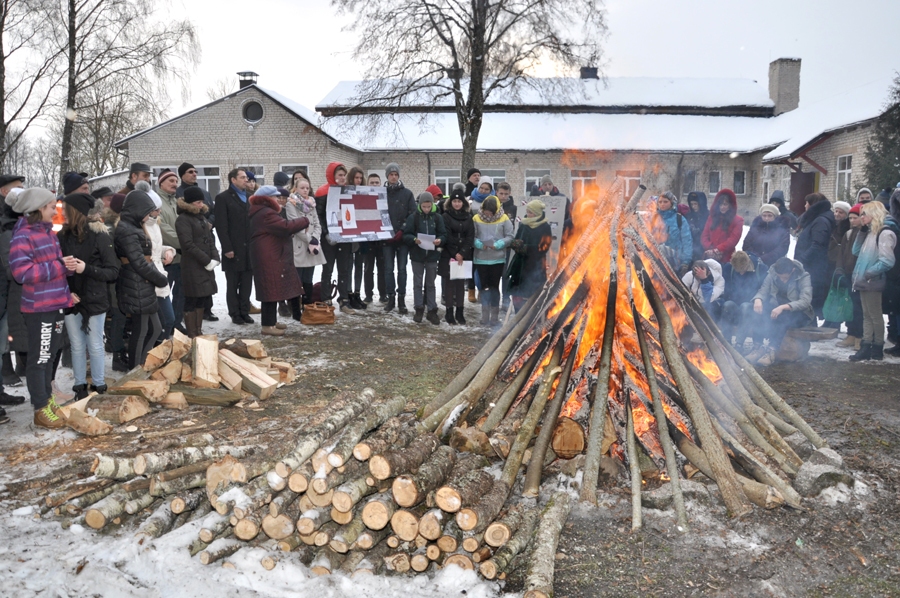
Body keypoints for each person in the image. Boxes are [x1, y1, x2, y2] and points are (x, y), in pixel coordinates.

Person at [9, 188, 75, 428]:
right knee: (40, 359)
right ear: (38, 209)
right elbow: (21, 273)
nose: (55, 211)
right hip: (39, 309)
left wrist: (67, 267)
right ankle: (40, 409)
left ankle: (48, 402)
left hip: (56, 303)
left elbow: (53, 267)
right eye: (50, 207)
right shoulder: (23, 236)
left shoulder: (48, 233)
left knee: (50, 358)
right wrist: (59, 266)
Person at [57, 193, 119, 398]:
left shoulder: (100, 235)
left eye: (65, 209)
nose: (62, 212)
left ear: (76, 211)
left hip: (95, 298)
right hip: (70, 298)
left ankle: (99, 386)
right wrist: (67, 292)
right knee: (76, 344)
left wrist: (87, 269)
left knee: (94, 344)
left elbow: (112, 271)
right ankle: (80, 386)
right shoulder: (61, 236)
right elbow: (55, 270)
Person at [115, 187, 170, 369]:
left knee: (154, 328)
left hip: (143, 284)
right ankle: (135, 368)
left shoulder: (134, 227)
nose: (149, 216)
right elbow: (138, 262)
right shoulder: (127, 229)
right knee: (141, 331)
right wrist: (160, 279)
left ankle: (142, 364)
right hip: (135, 284)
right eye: (147, 212)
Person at [248, 186, 309, 335]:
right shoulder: (267, 213)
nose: (278, 199)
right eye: (275, 197)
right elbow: (285, 227)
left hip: (269, 255)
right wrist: (304, 220)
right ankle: (267, 326)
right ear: (267, 199)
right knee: (270, 289)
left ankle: (272, 321)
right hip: (269, 257)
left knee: (272, 289)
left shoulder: (261, 212)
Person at [849, 201, 897, 361]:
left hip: (872, 281)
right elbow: (855, 251)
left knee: (874, 315)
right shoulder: (871, 232)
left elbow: (887, 260)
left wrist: (870, 273)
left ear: (874, 214)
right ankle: (866, 345)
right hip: (864, 280)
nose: (861, 217)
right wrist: (862, 232)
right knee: (867, 315)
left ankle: (876, 347)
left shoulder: (885, 233)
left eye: (864, 214)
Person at [747, 257, 815, 366]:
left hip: (800, 314)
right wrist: (758, 299)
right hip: (777, 309)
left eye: (785, 278)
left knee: (784, 316)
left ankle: (771, 350)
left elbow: (805, 301)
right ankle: (757, 347)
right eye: (780, 277)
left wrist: (784, 306)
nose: (782, 280)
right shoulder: (772, 273)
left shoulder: (803, 276)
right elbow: (763, 291)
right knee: (758, 310)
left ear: (792, 270)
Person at [175, 187, 220, 338]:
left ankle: (198, 331)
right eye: (198, 202)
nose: (201, 205)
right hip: (192, 266)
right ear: (189, 203)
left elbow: (210, 241)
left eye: (202, 202)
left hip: (204, 265)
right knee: (192, 298)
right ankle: (192, 333)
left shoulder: (201, 217)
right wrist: (206, 260)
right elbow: (187, 244)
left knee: (202, 297)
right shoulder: (183, 219)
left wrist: (215, 258)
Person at [215, 168, 254, 325]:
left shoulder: (251, 198)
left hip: (249, 249)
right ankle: (235, 313)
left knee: (246, 283)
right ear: (233, 180)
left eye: (247, 178)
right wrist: (227, 248)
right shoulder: (223, 198)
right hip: (233, 248)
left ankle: (245, 311)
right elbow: (221, 226)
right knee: (233, 283)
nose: (246, 180)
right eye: (243, 177)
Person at [314, 162, 355, 313]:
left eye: (344, 175)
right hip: (329, 238)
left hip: (345, 238)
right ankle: (326, 299)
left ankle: (344, 300)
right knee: (328, 269)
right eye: (339, 175)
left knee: (344, 269)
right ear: (333, 175)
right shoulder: (322, 191)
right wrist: (326, 233)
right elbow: (318, 215)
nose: (342, 178)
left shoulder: (348, 191)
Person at [138, 182, 176, 340]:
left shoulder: (154, 224)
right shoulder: (139, 227)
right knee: (161, 323)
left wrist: (168, 250)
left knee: (168, 320)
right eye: (156, 209)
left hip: (160, 276)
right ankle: (156, 351)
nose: (159, 212)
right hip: (150, 280)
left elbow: (155, 247)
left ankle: (161, 349)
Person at [403, 191, 446, 324]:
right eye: (424, 206)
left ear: (432, 204)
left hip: (432, 255)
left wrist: (440, 240)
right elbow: (406, 235)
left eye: (428, 206)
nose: (426, 209)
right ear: (420, 205)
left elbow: (443, 234)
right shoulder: (413, 217)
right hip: (417, 255)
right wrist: (414, 239)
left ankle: (432, 309)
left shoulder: (437, 217)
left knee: (431, 283)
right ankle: (419, 308)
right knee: (417, 282)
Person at [473, 196, 514, 326]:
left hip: (497, 258)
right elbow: (471, 236)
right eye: (486, 212)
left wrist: (499, 244)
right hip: (481, 258)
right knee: (484, 287)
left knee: (494, 287)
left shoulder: (504, 218)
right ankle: (485, 316)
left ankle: (494, 317)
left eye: (491, 212)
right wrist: (480, 244)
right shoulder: (476, 218)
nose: (488, 215)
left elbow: (510, 236)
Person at [794, 193, 835, 320]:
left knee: (813, 296)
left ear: (812, 205)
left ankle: (812, 325)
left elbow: (818, 245)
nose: (805, 206)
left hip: (814, 266)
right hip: (812, 265)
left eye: (807, 203)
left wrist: (803, 259)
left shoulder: (820, 221)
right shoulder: (817, 218)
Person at [382, 163, 416, 314]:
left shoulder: (407, 194)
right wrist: (385, 232)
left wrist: (402, 229)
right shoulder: (381, 193)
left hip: (402, 239)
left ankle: (401, 298)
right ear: (387, 176)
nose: (393, 177)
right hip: (386, 238)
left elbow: (412, 214)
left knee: (402, 269)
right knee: (388, 270)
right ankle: (391, 298)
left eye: (396, 174)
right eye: (391, 174)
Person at [285, 177, 325, 306]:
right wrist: (310, 239)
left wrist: (315, 238)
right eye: (302, 188)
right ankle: (295, 306)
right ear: (295, 189)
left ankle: (307, 304)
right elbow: (295, 226)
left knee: (309, 278)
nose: (305, 190)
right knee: (298, 279)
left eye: (307, 188)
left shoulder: (311, 204)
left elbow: (317, 224)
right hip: (299, 245)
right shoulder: (291, 203)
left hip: (312, 247)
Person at [508, 199, 552, 311]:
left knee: (532, 294)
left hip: (535, 265)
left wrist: (527, 248)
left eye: (531, 212)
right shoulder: (524, 224)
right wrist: (515, 243)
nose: (528, 214)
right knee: (518, 293)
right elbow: (517, 238)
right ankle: (517, 315)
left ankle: (531, 318)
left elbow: (544, 247)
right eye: (527, 211)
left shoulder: (545, 227)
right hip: (520, 265)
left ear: (537, 213)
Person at [440, 185, 474, 325]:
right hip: (449, 254)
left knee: (460, 284)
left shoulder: (468, 217)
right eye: (454, 201)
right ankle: (449, 312)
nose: (457, 204)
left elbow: (470, 236)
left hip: (464, 255)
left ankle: (460, 311)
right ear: (450, 203)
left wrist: (463, 252)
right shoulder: (445, 217)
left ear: (463, 203)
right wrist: (455, 253)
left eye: (459, 202)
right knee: (449, 283)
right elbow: (447, 235)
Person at [720, 251, 768, 352]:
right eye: (738, 271)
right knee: (727, 305)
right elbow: (726, 289)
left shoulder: (760, 268)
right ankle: (726, 342)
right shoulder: (728, 268)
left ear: (748, 263)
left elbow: (765, 288)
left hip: (752, 305)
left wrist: (758, 299)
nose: (741, 273)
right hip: (734, 304)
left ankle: (739, 343)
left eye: (743, 270)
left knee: (745, 307)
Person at [156, 169, 185, 334]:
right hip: (165, 258)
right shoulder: (156, 202)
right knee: (164, 294)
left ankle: (177, 323)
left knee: (180, 293)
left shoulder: (176, 202)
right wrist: (184, 242)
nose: (175, 184)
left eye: (176, 181)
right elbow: (163, 229)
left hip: (181, 257)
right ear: (161, 183)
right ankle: (165, 325)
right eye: (171, 181)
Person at [834, 203, 864, 349]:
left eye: (855, 218)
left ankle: (860, 336)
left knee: (859, 307)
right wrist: (839, 269)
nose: (852, 221)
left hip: (860, 276)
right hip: (847, 274)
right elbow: (841, 254)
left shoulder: (865, 233)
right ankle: (851, 333)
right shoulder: (848, 233)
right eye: (850, 218)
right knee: (849, 306)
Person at [823, 200, 853, 328]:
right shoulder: (832, 224)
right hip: (831, 262)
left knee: (838, 293)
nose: (837, 214)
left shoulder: (846, 227)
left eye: (841, 212)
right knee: (831, 292)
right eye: (836, 211)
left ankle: (836, 321)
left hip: (839, 264)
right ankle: (830, 319)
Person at [345, 166, 369, 310]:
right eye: (356, 178)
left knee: (359, 265)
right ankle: (348, 293)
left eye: (361, 178)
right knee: (348, 265)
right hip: (349, 232)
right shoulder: (345, 191)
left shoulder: (365, 192)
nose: (359, 181)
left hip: (363, 234)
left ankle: (357, 293)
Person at [701, 189, 743, 263]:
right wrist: (710, 248)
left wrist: (719, 249)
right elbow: (704, 235)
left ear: (730, 205)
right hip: (710, 257)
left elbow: (733, 240)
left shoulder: (737, 220)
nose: (722, 207)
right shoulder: (712, 218)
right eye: (720, 204)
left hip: (726, 259)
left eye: (725, 204)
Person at [655, 191, 692, 275]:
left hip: (675, 262)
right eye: (660, 202)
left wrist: (685, 262)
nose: (662, 204)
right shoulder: (654, 219)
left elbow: (687, 241)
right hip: (656, 261)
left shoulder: (679, 219)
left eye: (665, 202)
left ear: (672, 203)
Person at [496, 182, 518, 309]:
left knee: (505, 274)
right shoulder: (493, 206)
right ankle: (494, 298)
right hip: (493, 245)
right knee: (493, 273)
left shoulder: (514, 208)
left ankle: (505, 297)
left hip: (508, 246)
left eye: (506, 194)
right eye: (501, 194)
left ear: (509, 194)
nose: (503, 196)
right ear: (496, 193)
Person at [685, 191, 709, 261]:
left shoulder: (708, 216)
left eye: (696, 204)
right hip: (691, 249)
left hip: (704, 249)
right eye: (691, 204)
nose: (694, 206)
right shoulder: (688, 216)